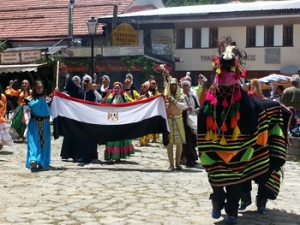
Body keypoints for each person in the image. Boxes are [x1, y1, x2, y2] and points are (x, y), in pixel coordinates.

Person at [197, 37, 291, 224]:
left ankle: (232, 211)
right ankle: (217, 202)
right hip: (213, 143)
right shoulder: (208, 103)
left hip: (240, 146)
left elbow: (254, 115)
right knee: (216, 175)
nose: (226, 79)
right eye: (223, 72)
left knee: (235, 177)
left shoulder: (247, 103)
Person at [60, 64, 98, 163]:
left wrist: (93, 90)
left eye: (87, 81)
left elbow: (98, 102)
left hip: (88, 120)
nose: (86, 83)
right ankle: (75, 155)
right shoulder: (78, 90)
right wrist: (66, 73)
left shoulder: (92, 93)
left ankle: (88, 155)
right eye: (84, 81)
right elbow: (71, 86)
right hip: (77, 119)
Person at [104, 82, 134, 162]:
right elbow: (106, 106)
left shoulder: (125, 98)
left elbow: (130, 106)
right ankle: (112, 154)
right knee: (112, 139)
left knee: (120, 138)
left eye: (118, 88)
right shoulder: (110, 98)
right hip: (112, 121)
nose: (116, 89)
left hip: (121, 121)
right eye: (115, 88)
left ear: (121, 89)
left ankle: (118, 155)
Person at [24, 80, 51, 170]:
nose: (40, 89)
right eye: (38, 88)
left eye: (41, 88)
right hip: (34, 123)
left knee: (44, 143)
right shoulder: (29, 99)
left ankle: (42, 160)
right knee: (33, 142)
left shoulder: (48, 99)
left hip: (45, 124)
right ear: (34, 88)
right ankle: (33, 159)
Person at [163, 72, 186, 171]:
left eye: (174, 85)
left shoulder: (181, 95)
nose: (173, 87)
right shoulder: (165, 96)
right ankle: (171, 164)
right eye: (171, 85)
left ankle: (177, 163)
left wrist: (175, 101)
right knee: (170, 143)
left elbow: (183, 106)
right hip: (169, 120)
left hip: (178, 120)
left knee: (179, 142)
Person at [181, 79, 199, 167]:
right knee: (187, 141)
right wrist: (185, 109)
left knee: (192, 140)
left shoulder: (193, 96)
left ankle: (192, 158)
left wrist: (196, 110)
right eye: (184, 86)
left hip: (192, 120)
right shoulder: (180, 97)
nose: (185, 87)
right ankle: (189, 159)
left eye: (187, 86)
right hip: (184, 121)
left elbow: (198, 106)